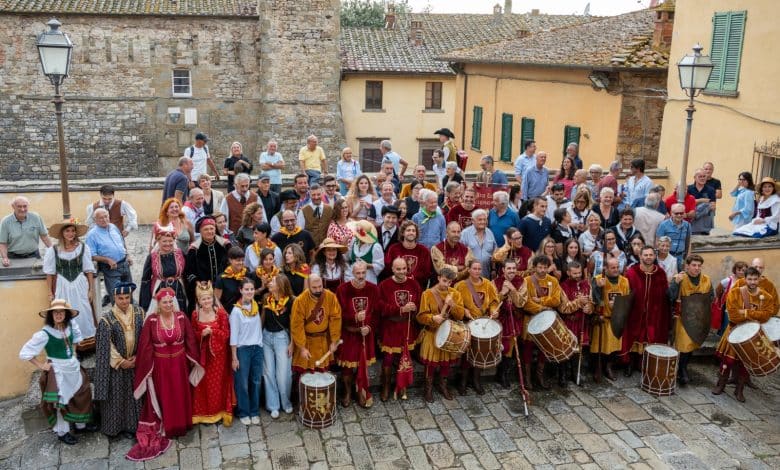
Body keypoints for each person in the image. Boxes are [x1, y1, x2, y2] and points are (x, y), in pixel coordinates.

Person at [127, 288, 204, 461]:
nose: (168, 305)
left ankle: (181, 425)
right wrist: (147, 368)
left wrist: (195, 360)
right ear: (158, 304)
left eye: (171, 301)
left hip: (179, 365)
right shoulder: (151, 321)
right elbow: (145, 347)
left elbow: (190, 340)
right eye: (165, 302)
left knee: (179, 394)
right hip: (161, 367)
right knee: (165, 396)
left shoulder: (182, 318)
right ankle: (168, 426)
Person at [21, 299, 96, 446]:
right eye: (55, 312)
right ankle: (63, 432)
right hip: (57, 370)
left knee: (81, 394)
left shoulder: (70, 327)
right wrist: (42, 365)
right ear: (51, 315)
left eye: (61, 312)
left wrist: (73, 353)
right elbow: (25, 353)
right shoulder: (45, 333)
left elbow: (76, 340)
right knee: (61, 402)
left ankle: (81, 425)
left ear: (66, 314)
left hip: (72, 368)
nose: (58, 314)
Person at [712, 267, 774, 402]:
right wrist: (755, 315)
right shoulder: (735, 293)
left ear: (759, 279)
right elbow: (733, 316)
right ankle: (720, 385)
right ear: (744, 279)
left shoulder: (766, 297)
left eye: (755, 279)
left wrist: (745, 312)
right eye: (750, 279)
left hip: (752, 335)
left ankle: (739, 390)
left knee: (746, 364)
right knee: (727, 361)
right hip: (734, 331)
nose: (752, 282)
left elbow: (766, 315)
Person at [93, 282, 143, 438]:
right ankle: (116, 428)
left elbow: (144, 337)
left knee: (134, 397)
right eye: (120, 298)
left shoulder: (139, 312)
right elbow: (105, 345)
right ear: (114, 297)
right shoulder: (106, 319)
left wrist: (138, 356)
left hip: (135, 363)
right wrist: (122, 361)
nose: (124, 301)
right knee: (118, 398)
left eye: (127, 297)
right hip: (117, 367)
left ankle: (133, 426)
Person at [44, 219, 97, 346]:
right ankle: (69, 344)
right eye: (67, 231)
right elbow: (50, 273)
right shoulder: (54, 250)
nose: (71, 233)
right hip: (62, 285)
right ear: (62, 233)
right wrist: (50, 292)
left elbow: (89, 270)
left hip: (80, 283)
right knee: (64, 312)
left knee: (83, 311)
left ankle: (85, 344)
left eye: (73, 231)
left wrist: (91, 289)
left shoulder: (83, 248)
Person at [417, 266, 465, 402]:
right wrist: (432, 318)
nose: (447, 284)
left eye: (450, 282)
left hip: (448, 334)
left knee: (445, 364)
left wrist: (453, 305)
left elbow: (460, 315)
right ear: (438, 278)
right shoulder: (427, 294)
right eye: (444, 281)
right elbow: (420, 317)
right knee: (431, 364)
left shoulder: (455, 294)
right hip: (432, 333)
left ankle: (443, 385)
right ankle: (428, 389)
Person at [335, 261, 379, 408]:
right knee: (347, 367)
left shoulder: (373, 289)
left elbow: (376, 312)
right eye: (358, 273)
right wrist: (354, 318)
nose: (361, 276)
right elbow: (338, 314)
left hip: (365, 334)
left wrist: (370, 326)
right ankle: (347, 392)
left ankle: (360, 390)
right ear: (352, 273)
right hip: (349, 333)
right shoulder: (342, 289)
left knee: (362, 365)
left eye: (363, 273)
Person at [377, 258, 422, 401]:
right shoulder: (384, 285)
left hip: (407, 326)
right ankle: (385, 386)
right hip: (391, 327)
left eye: (404, 269)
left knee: (405, 357)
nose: (402, 272)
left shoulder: (413, 283)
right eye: (398, 269)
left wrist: (414, 308)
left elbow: (419, 301)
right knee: (389, 359)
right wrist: (400, 309)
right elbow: (380, 306)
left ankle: (402, 385)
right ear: (392, 269)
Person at [621, 246, 670, 376]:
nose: (648, 257)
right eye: (646, 255)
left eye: (651, 255)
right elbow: (625, 292)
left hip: (653, 314)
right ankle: (629, 364)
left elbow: (664, 295)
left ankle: (642, 364)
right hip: (634, 313)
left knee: (650, 337)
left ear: (654, 257)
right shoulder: (632, 272)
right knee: (633, 337)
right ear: (640, 256)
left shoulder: (660, 273)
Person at [191, 283, 234, 426]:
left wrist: (213, 332)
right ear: (198, 301)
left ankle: (219, 411)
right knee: (203, 385)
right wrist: (201, 334)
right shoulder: (195, 315)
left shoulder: (220, 313)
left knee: (219, 384)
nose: (207, 302)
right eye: (203, 299)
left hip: (219, 356)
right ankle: (203, 414)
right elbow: (192, 335)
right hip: (203, 357)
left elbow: (226, 334)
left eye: (209, 298)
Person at [454, 259, 500, 395]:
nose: (477, 271)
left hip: (483, 322)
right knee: (468, 353)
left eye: (479, 269)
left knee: (481, 351)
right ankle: (463, 381)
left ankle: (476, 380)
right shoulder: (460, 285)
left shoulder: (488, 284)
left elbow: (494, 301)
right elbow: (455, 304)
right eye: (474, 268)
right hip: (467, 323)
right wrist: (463, 311)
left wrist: (493, 310)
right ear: (469, 270)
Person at [669, 254, 714, 386]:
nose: (696, 268)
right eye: (694, 265)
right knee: (684, 345)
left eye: (699, 266)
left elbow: (711, 297)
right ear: (687, 266)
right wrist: (675, 283)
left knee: (692, 344)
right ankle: (682, 371)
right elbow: (670, 296)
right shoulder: (680, 278)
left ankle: (683, 368)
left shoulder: (706, 280)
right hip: (683, 318)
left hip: (698, 319)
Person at [522, 255, 562, 390]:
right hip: (530, 318)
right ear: (534, 267)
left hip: (547, 320)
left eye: (545, 267)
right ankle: (527, 378)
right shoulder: (527, 281)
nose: (543, 270)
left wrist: (540, 301)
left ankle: (539, 376)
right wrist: (542, 307)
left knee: (544, 347)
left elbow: (556, 300)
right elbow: (526, 302)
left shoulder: (554, 281)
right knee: (528, 347)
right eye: (540, 267)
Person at [291, 274, 342, 374]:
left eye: (320, 286)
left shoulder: (330, 296)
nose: (318, 290)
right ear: (308, 286)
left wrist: (334, 341)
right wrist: (302, 348)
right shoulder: (300, 301)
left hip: (324, 341)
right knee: (305, 375)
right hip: (307, 342)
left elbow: (336, 319)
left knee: (323, 374)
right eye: (314, 288)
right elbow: (296, 325)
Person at [229, 279, 264, 425]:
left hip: (257, 348)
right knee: (242, 382)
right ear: (241, 290)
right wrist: (234, 357)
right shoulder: (236, 311)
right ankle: (244, 411)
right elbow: (234, 336)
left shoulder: (256, 306)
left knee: (256, 380)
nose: (249, 292)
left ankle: (254, 410)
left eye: (252, 289)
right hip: (243, 349)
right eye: (247, 289)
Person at [261, 273, 295, 418]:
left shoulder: (290, 301)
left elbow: (294, 324)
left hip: (282, 337)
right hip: (266, 337)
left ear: (280, 284)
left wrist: (292, 343)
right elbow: (263, 319)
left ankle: (286, 402)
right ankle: (273, 405)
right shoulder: (266, 298)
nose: (270, 282)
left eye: (273, 280)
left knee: (283, 374)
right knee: (268, 372)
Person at [590, 257, 629, 382]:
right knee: (599, 346)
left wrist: (618, 305)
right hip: (602, 318)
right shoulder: (597, 279)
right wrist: (598, 287)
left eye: (618, 267)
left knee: (613, 347)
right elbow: (595, 300)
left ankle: (608, 367)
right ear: (605, 268)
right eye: (613, 268)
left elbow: (627, 301)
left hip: (615, 319)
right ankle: (597, 367)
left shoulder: (624, 281)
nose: (616, 270)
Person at [492, 259, 528, 387]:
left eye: (514, 268)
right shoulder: (495, 282)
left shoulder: (521, 282)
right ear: (503, 270)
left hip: (514, 318)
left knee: (511, 347)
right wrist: (502, 293)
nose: (512, 271)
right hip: (500, 318)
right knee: (501, 346)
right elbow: (492, 302)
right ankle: (499, 372)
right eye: (509, 268)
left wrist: (512, 290)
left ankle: (504, 375)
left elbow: (521, 302)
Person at [557, 261, 593, 386]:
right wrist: (578, 302)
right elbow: (563, 308)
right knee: (566, 349)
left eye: (579, 273)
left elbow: (591, 302)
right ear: (568, 273)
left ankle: (576, 374)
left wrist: (589, 308)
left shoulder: (586, 284)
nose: (578, 275)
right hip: (568, 323)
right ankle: (563, 375)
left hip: (582, 322)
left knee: (580, 350)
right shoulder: (563, 286)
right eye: (575, 273)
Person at [87, 208, 132, 305]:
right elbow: (91, 255)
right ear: (95, 220)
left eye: (106, 216)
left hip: (124, 264)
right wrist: (107, 259)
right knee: (117, 296)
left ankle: (130, 318)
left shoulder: (113, 227)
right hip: (111, 268)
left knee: (129, 293)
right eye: (100, 218)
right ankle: (118, 318)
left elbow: (121, 242)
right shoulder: (92, 235)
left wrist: (127, 255)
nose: (104, 219)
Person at [139, 228, 187, 315]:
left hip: (178, 289)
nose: (168, 244)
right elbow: (145, 279)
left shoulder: (180, 254)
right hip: (160, 289)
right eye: (164, 241)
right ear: (158, 241)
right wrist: (145, 301)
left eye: (170, 241)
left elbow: (186, 272)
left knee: (179, 314)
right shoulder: (152, 257)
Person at [186, 216, 230, 308]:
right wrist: (198, 282)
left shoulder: (226, 245)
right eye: (206, 229)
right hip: (203, 290)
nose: (210, 231)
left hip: (223, 288)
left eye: (212, 228)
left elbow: (231, 264)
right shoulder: (194, 249)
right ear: (200, 232)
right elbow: (189, 271)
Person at [0, 196, 51, 266]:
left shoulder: (36, 218)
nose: (22, 209)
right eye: (19, 206)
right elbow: (3, 243)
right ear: (13, 207)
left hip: (34, 255)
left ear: (28, 206)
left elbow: (44, 236)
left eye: (25, 206)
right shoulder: (5, 222)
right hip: (13, 257)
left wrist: (53, 251)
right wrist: (5, 258)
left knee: (36, 276)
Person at [385, 220, 433, 288]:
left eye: (413, 231)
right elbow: (388, 269)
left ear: (416, 234)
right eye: (408, 230)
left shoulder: (424, 251)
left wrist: (411, 279)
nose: (411, 233)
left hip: (417, 288)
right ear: (402, 233)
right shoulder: (393, 249)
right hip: (396, 286)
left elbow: (427, 272)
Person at [460, 209, 497, 278]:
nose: (483, 222)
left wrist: (493, 269)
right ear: (473, 221)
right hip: (469, 276)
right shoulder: (465, 234)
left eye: (485, 219)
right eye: (480, 220)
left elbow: (494, 253)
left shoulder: (490, 233)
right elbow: (459, 253)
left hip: (486, 274)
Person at [656, 203, 692, 270]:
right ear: (671, 213)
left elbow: (688, 242)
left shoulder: (687, 225)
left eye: (681, 213)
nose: (679, 215)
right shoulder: (663, 225)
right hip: (667, 257)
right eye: (676, 213)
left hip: (680, 257)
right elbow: (658, 242)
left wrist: (687, 259)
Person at [688, 168, 716, 235]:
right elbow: (687, 204)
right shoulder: (689, 189)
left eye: (704, 176)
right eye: (700, 176)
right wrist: (702, 200)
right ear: (695, 177)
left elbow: (713, 206)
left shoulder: (711, 190)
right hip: (691, 222)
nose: (702, 178)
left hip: (705, 222)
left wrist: (695, 203)